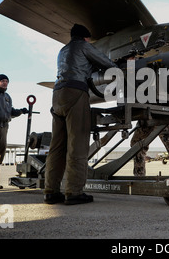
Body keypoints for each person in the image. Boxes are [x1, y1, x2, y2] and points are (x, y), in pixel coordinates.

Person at [44, 24, 117, 205]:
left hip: (57, 95)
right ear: (86, 38)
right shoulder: (84, 46)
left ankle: (51, 192)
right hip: (75, 93)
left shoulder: (63, 50)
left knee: (57, 146)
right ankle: (74, 192)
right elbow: (107, 64)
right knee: (78, 143)